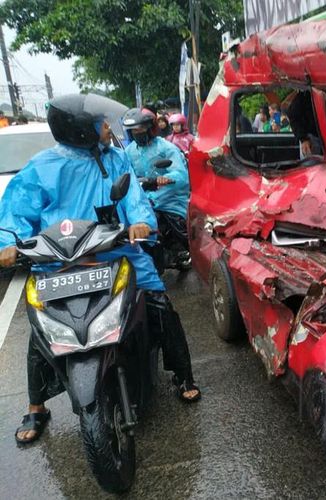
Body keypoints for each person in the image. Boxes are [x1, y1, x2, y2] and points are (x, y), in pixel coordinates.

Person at [0, 94, 201, 445]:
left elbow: (135, 199)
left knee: (159, 303)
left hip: (116, 250)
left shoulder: (116, 158)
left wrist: (140, 222)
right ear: (81, 131)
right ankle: (36, 405)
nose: (107, 128)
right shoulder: (42, 167)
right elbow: (17, 210)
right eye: (100, 124)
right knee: (39, 333)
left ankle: (183, 374)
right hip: (59, 262)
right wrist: (7, 242)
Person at [123, 108, 191, 269]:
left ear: (150, 128)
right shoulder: (128, 152)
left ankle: (183, 249)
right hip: (143, 200)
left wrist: (166, 178)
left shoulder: (166, 147)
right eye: (134, 130)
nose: (137, 133)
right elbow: (124, 174)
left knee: (181, 231)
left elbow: (181, 175)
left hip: (170, 199)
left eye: (140, 129)